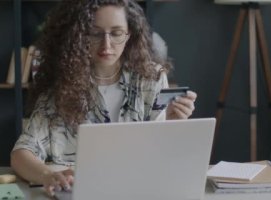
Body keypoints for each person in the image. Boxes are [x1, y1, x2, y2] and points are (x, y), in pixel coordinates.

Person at [10, 0, 197, 197]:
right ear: (79, 36)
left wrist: (174, 126)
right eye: (95, 33)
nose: (106, 45)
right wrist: (47, 175)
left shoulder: (151, 78)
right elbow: (21, 153)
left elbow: (161, 156)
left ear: (129, 34)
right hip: (80, 191)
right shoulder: (61, 84)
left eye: (116, 33)